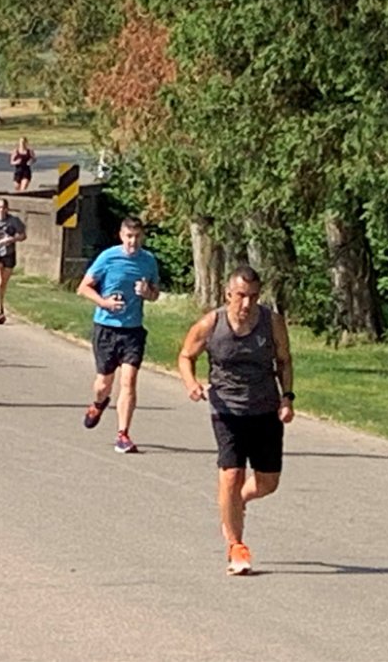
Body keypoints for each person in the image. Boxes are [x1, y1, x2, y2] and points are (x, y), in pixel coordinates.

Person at [176, 265, 295, 576]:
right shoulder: (211, 324)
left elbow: (283, 359)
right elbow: (186, 355)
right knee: (231, 474)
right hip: (226, 408)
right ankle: (236, 546)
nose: (246, 304)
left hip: (265, 407)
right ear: (228, 294)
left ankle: (236, 502)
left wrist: (288, 397)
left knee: (268, 482)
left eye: (253, 297)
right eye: (241, 296)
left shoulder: (272, 323)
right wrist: (191, 383)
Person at [77, 217, 160, 454]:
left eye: (137, 237)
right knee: (104, 383)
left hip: (133, 330)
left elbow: (155, 293)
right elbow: (83, 288)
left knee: (129, 381)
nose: (133, 242)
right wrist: (104, 302)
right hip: (106, 328)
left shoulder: (148, 261)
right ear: (121, 236)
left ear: (142, 237)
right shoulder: (108, 257)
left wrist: (147, 292)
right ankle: (99, 403)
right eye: (129, 236)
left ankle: (123, 434)